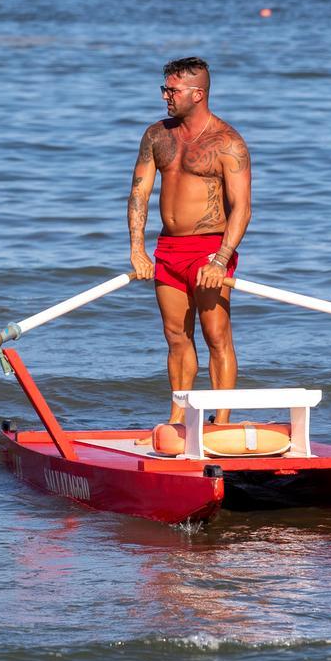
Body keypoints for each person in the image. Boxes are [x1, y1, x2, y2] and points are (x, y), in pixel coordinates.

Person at [127, 57, 252, 424]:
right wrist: (137, 249)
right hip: (168, 249)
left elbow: (242, 209)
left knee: (216, 335)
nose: (165, 96)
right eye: (164, 89)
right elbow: (139, 193)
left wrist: (221, 259)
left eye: (172, 90)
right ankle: (178, 422)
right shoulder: (156, 135)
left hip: (209, 249)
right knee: (176, 336)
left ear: (197, 94)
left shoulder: (228, 143)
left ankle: (221, 422)